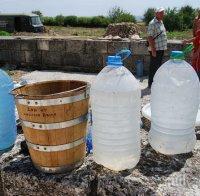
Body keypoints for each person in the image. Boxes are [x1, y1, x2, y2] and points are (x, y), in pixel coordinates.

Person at [147, 7, 167, 88]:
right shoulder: (152, 23)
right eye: (161, 13)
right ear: (156, 14)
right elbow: (150, 37)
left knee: (158, 66)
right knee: (153, 66)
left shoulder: (161, 22)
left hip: (161, 48)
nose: (163, 14)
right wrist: (153, 50)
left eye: (163, 13)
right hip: (155, 49)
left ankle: (156, 83)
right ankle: (151, 84)